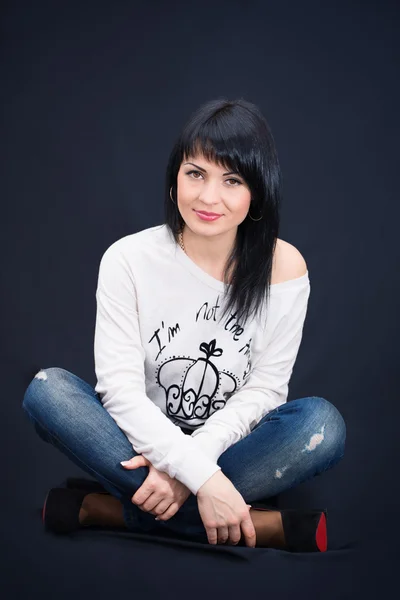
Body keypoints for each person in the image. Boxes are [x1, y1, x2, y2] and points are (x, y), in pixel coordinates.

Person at [22, 97, 346, 550]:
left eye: (231, 180)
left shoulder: (283, 266)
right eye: (196, 173)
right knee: (47, 389)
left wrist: (190, 469)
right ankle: (255, 523)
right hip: (137, 446)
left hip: (234, 451)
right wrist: (202, 480)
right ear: (175, 180)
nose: (208, 196)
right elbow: (120, 391)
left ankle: (110, 510)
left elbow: (265, 390)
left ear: (256, 192)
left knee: (323, 425)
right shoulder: (128, 259)